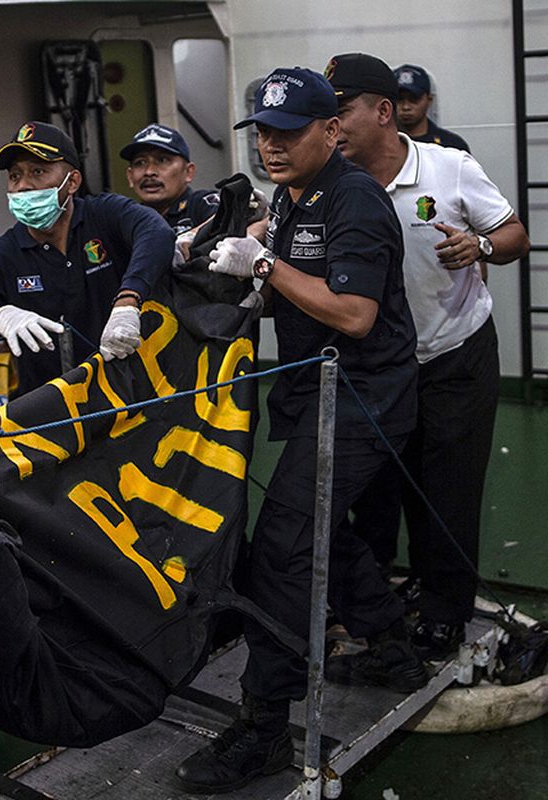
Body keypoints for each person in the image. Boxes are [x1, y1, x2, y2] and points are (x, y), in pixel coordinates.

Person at [176, 67, 426, 794]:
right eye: (263, 133)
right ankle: (390, 643)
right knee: (320, 529)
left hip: (365, 397)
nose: (272, 147)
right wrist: (216, 242)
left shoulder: (358, 202)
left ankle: (263, 728)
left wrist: (265, 264)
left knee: (283, 547)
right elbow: (271, 245)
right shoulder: (292, 195)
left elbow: (354, 315)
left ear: (330, 131)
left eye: (288, 133)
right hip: (317, 392)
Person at [330, 53, 530, 659]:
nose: (330, 126)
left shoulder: (449, 168)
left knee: (450, 487)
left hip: (454, 356)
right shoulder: (331, 185)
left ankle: (446, 608)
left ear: (383, 111)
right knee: (383, 485)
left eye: (340, 111)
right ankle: (392, 590)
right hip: (379, 366)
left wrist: (481, 245)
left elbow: (516, 234)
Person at [0, 121, 175, 394]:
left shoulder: (104, 215)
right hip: (50, 411)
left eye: (38, 171)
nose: (23, 186)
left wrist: (127, 301)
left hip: (131, 396)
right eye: (14, 175)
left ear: (73, 182)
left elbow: (156, 233)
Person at [121, 123, 219, 234]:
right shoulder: (125, 220)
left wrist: (192, 237)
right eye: (140, 163)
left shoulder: (201, 204)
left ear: (188, 172)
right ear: (130, 176)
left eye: (162, 160)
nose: (149, 172)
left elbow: (231, 220)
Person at [391, 63, 470, 152]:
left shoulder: (451, 146)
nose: (406, 107)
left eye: (414, 99)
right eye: (399, 99)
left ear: (429, 100)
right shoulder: (380, 144)